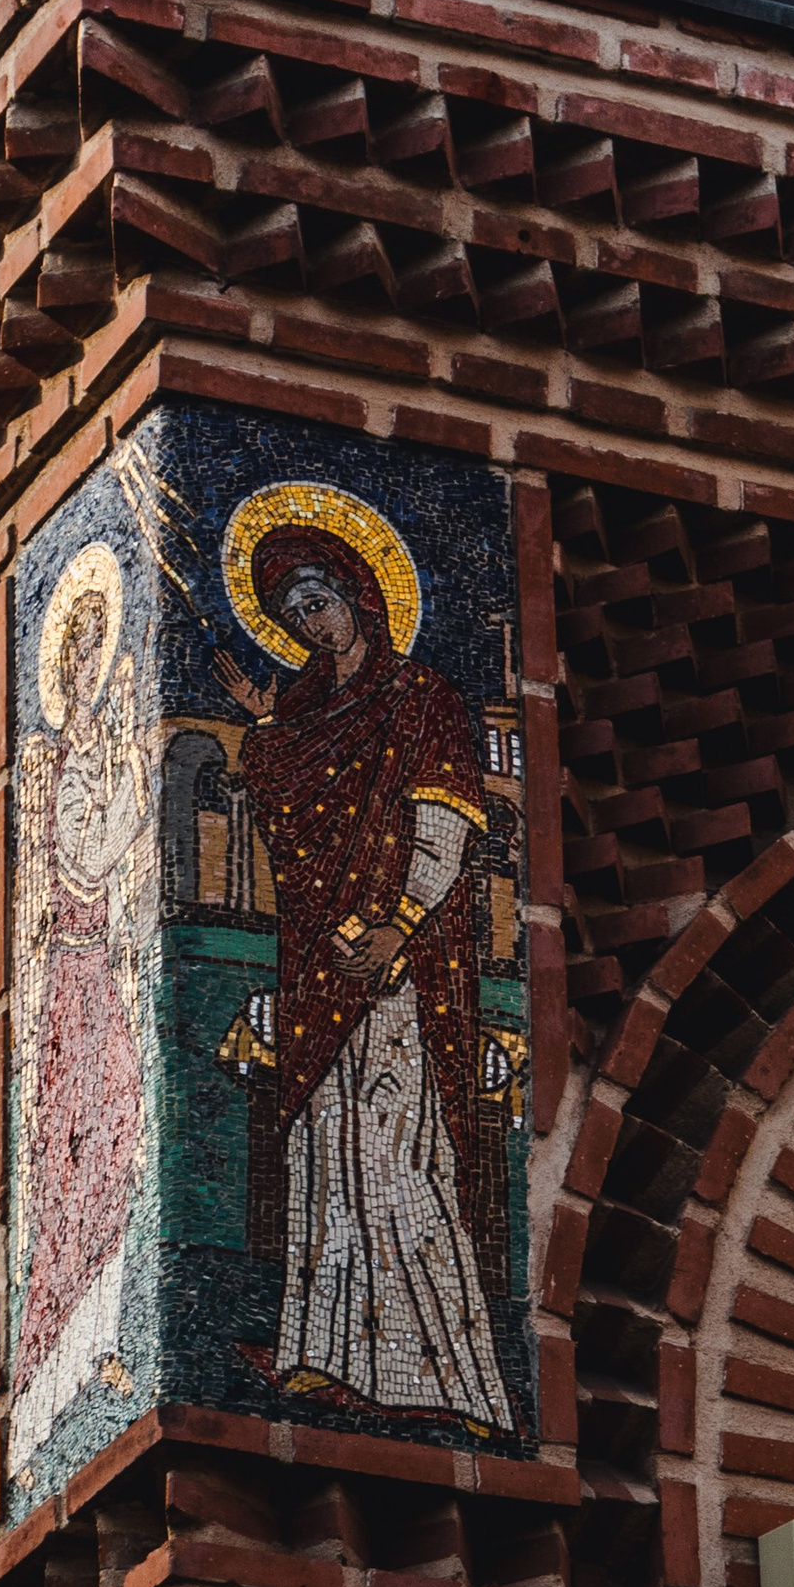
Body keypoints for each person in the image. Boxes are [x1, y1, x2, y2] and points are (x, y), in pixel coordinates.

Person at [215, 508, 511, 1433]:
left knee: (394, 1151)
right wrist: (270, 722)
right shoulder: (309, 713)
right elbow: (289, 801)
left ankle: (449, 1380)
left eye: (319, 602)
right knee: (323, 1149)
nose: (311, 624)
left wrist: (401, 927)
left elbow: (447, 825)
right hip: (319, 958)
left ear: (360, 596)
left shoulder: (423, 698)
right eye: (293, 614)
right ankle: (323, 1353)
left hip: (396, 963)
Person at [14, 551, 150, 1459]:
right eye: (80, 649)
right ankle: (58, 1363)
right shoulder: (59, 764)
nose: (91, 663)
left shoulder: (106, 745)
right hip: (71, 980)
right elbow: (88, 857)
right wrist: (132, 790)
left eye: (100, 647)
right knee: (73, 1159)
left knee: (121, 1131)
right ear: (63, 665)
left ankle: (102, 1340)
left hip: (103, 968)